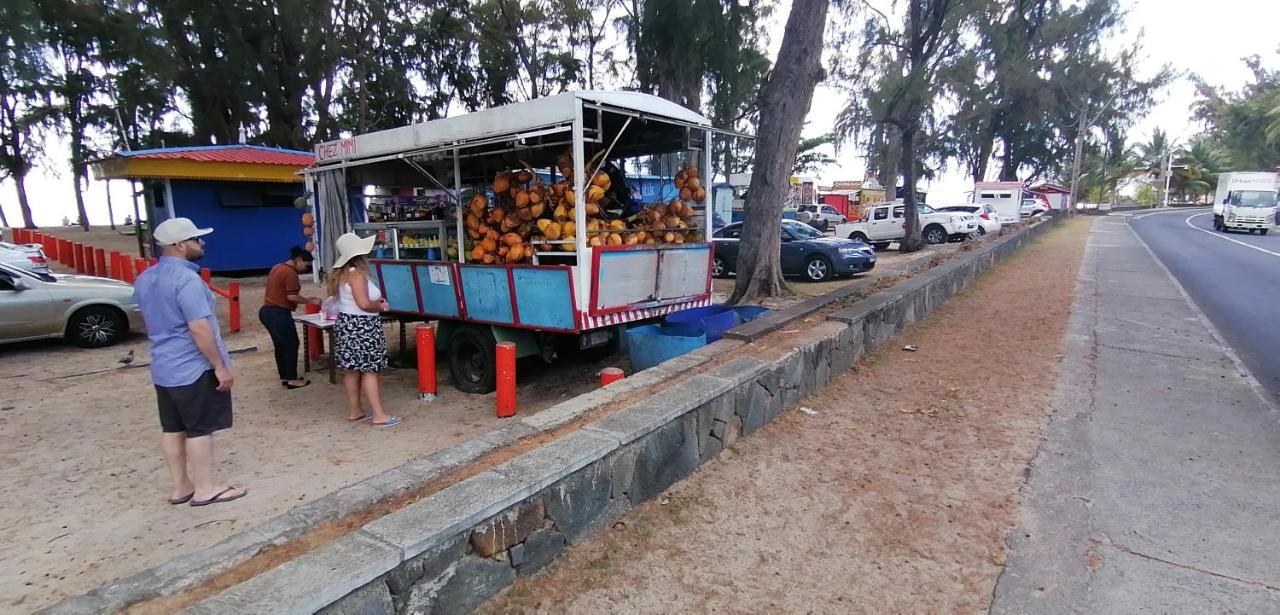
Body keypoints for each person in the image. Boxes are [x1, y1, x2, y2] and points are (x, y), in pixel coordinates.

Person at [134, 217, 247, 507]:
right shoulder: (187, 280)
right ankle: (205, 488)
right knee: (200, 429)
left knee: (172, 428)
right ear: (181, 246)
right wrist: (219, 365)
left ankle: (180, 486)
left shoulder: (145, 278)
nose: (202, 243)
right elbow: (199, 328)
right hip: (192, 366)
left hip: (163, 365)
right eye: (197, 240)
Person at [328, 232, 400, 426]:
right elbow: (364, 303)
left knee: (351, 370)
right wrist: (381, 306)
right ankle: (379, 414)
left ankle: (355, 410)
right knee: (370, 370)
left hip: (346, 324)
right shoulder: (357, 274)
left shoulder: (341, 274)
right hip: (362, 326)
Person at [259, 246, 321, 389]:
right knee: (291, 344)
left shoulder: (277, 267)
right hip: (279, 313)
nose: (305, 269)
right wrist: (310, 300)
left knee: (280, 345)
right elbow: (292, 296)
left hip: (267, 311)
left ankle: (286, 375)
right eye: (305, 265)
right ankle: (292, 379)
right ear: (298, 260)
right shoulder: (290, 273)